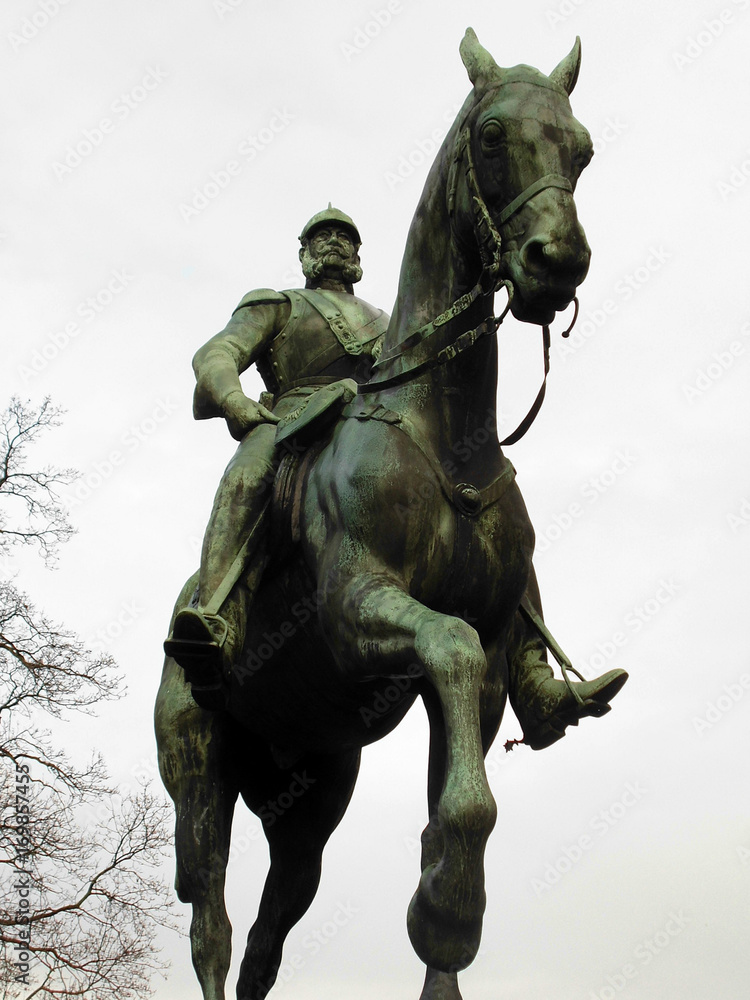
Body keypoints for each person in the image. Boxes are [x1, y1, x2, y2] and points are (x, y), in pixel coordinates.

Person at [165, 205, 626, 747]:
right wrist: (233, 399)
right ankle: (220, 618)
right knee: (249, 469)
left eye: (345, 238)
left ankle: (531, 676)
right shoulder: (278, 304)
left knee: (488, 509)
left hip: (377, 429)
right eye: (322, 236)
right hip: (295, 422)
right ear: (304, 253)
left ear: (360, 257)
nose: (334, 243)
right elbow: (217, 352)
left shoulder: (391, 321)